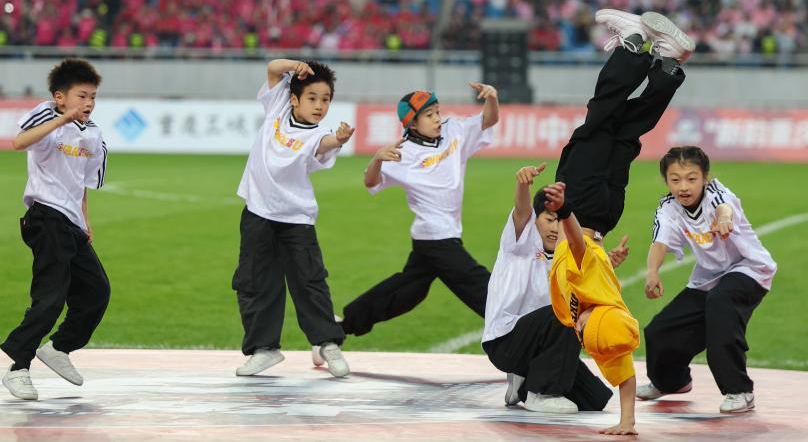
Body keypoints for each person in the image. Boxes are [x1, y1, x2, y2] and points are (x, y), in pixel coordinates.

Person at [547, 8, 696, 435]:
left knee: (621, 131)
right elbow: (577, 247)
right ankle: (632, 46)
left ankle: (667, 66)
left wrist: (627, 423)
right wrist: (564, 210)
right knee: (596, 122)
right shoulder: (580, 303)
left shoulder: (608, 319)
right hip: (584, 210)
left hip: (607, 215)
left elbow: (625, 377)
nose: (579, 333)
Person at [340, 83, 499, 337]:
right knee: (478, 285)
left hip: (438, 236)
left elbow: (488, 120)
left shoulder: (454, 131)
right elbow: (370, 182)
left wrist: (492, 98)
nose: (437, 118)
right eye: (429, 115)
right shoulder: (402, 153)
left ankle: (343, 326)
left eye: (437, 112)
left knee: (407, 293)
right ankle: (518, 329)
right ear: (412, 124)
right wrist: (377, 159)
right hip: (436, 237)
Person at [232, 59, 355, 378]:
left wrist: (340, 139)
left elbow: (325, 144)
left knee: (309, 281)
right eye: (312, 98)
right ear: (294, 99)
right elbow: (274, 68)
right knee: (255, 282)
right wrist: (297, 65)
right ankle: (264, 349)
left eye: (326, 99)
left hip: (296, 218)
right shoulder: (277, 107)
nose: (319, 106)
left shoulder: (319, 134)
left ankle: (327, 344)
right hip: (258, 212)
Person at [1, 59, 110, 401]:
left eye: (93, 97)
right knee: (51, 295)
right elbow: (19, 143)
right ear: (60, 97)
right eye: (82, 96)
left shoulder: (93, 135)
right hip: (46, 217)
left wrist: (85, 220)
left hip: (72, 223)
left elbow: (82, 183)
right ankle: (18, 368)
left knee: (97, 291)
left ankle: (59, 347)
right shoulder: (47, 115)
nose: (88, 103)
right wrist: (62, 119)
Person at [638, 146, 777, 414]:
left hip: (750, 269)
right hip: (709, 277)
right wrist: (652, 272)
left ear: (705, 177)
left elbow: (724, 208)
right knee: (659, 330)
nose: (683, 186)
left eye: (691, 178)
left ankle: (740, 390)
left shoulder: (716, 194)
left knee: (721, 303)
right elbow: (660, 242)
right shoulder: (668, 208)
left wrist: (724, 220)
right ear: (666, 181)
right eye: (675, 179)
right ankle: (672, 382)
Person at [483, 163, 623, 414]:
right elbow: (522, 209)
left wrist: (606, 265)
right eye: (548, 219)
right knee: (564, 313)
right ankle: (541, 393)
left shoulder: (566, 256)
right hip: (505, 341)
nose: (555, 228)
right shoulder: (521, 241)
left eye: (560, 222)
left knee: (595, 400)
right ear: (535, 220)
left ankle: (522, 383)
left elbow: (589, 290)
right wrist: (523, 185)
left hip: (538, 342)